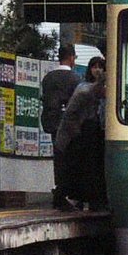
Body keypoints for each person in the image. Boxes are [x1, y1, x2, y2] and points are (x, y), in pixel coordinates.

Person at [56, 55, 108, 210]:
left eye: (101, 67)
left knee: (89, 168)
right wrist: (77, 134)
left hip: (92, 133)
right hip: (79, 135)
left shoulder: (99, 93)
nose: (97, 70)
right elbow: (70, 115)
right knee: (79, 168)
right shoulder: (84, 90)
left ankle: (88, 199)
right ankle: (65, 198)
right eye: (94, 66)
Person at [41, 44, 81, 210]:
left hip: (53, 123)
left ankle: (60, 192)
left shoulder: (48, 78)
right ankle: (65, 193)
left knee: (59, 158)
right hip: (70, 125)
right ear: (71, 57)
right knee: (71, 159)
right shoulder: (76, 78)